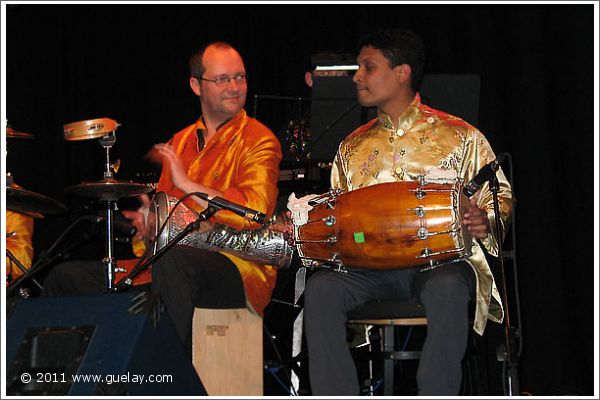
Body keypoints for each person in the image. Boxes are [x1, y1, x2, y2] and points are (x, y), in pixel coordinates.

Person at [301, 29, 512, 395]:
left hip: (438, 262)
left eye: (368, 67)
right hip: (367, 268)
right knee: (322, 290)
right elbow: (339, 214)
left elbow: (499, 194)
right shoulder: (351, 147)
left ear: (401, 73)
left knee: (448, 288)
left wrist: (486, 216)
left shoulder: (460, 136)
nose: (357, 77)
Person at [43, 41, 283, 354]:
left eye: (240, 77)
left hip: (236, 269)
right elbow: (166, 218)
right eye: (223, 79)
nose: (235, 87)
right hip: (168, 264)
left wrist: (186, 184)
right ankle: (62, 380)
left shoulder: (259, 139)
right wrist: (149, 223)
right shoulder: (180, 141)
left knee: (173, 262)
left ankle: (161, 374)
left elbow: (254, 211)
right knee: (66, 277)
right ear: (196, 86)